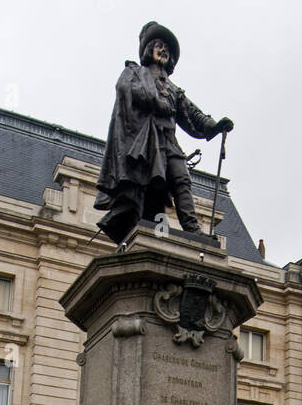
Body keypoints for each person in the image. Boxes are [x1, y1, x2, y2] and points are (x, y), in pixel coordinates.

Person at [94, 21, 234, 243]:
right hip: (145, 142)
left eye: (167, 49)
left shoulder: (173, 89)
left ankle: (192, 229)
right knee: (152, 191)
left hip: (168, 141)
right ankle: (151, 229)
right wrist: (154, 102)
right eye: (159, 45)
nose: (164, 50)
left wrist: (214, 126)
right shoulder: (134, 73)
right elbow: (125, 89)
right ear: (149, 49)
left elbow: (192, 114)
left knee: (181, 178)